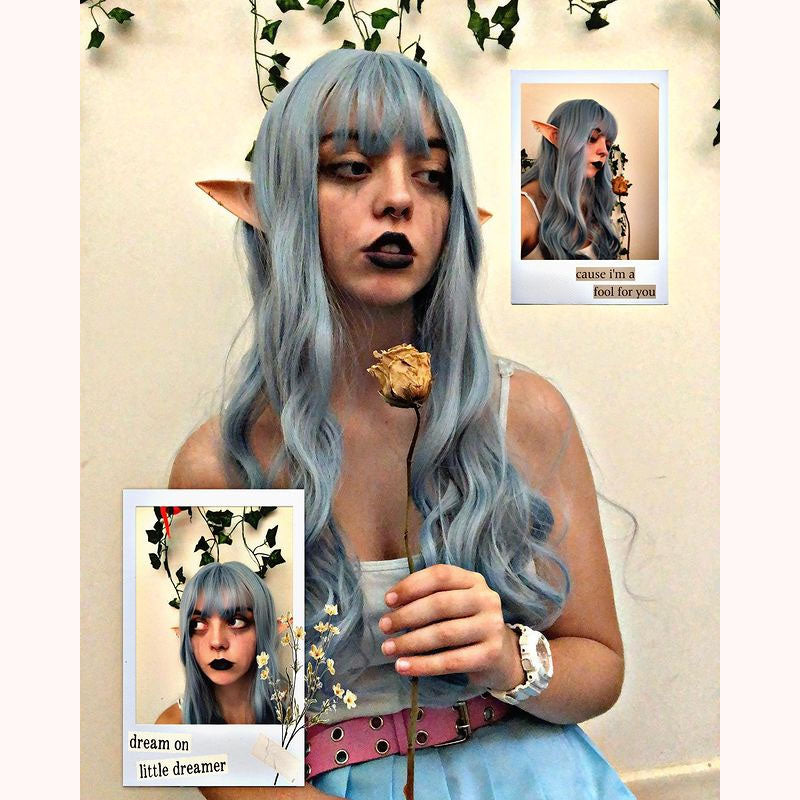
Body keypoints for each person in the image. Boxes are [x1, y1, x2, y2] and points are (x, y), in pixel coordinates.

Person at [172, 49, 632, 798]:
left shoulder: (524, 415)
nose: (397, 200)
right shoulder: (224, 465)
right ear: (278, 203)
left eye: (433, 177)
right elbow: (197, 732)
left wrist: (506, 655)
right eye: (351, 168)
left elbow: (601, 669)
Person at [156, 561, 278, 725]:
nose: (217, 642)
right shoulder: (170, 726)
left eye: (235, 621)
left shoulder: (297, 718)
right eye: (198, 624)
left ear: (263, 628)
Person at [521, 98, 620, 260]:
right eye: (592, 138)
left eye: (608, 144)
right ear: (556, 138)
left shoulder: (593, 200)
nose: (604, 151)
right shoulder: (523, 210)